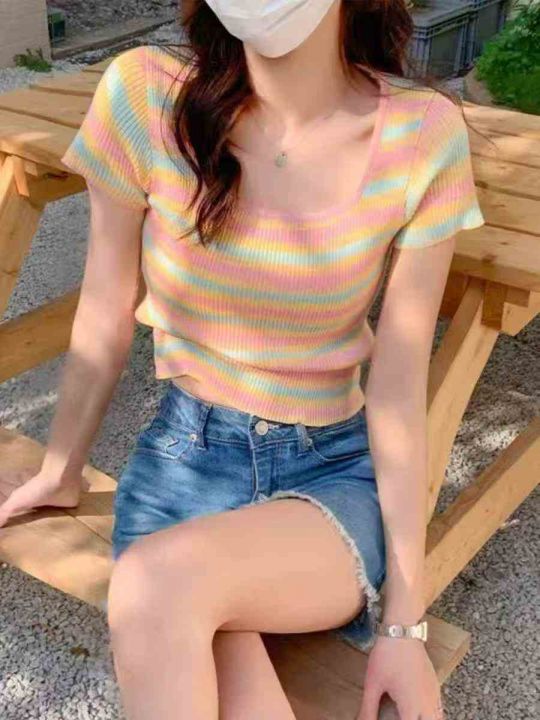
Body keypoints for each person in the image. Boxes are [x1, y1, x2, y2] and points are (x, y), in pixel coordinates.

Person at [0, 1, 485, 718]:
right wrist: (59, 468)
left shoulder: (422, 135)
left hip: (330, 476)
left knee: (159, 585)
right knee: (178, 609)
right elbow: (104, 308)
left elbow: (399, 388)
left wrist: (404, 628)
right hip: (183, 468)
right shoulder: (144, 94)